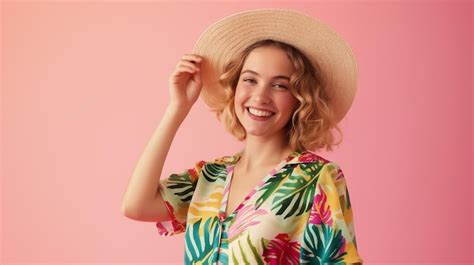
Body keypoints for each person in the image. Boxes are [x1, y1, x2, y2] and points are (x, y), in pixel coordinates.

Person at [122, 8, 363, 264]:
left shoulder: (317, 178)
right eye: (250, 80)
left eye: (280, 85)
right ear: (235, 88)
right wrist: (177, 109)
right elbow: (136, 206)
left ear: (300, 99)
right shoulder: (210, 175)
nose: (260, 96)